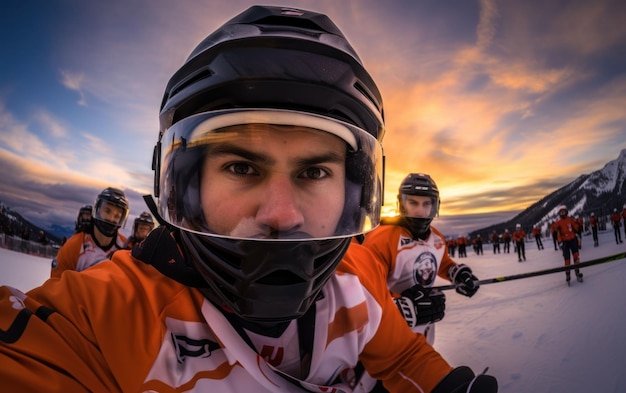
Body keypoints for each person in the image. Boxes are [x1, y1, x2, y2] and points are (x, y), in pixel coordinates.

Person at [0, 6, 496, 393]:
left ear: (352, 192)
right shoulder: (108, 314)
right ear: (187, 184)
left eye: (316, 171)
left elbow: (403, 358)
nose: (281, 213)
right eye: (241, 167)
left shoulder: (356, 276)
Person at [361, 173, 482, 392]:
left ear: (436, 207)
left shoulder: (436, 237)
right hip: (386, 342)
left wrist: (458, 273)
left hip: (423, 334)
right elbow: (363, 289)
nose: (420, 211)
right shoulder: (382, 239)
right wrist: (400, 307)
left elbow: (442, 262)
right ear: (401, 204)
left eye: (427, 204)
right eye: (413, 203)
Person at [49, 187, 128, 278]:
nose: (111, 219)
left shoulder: (125, 247)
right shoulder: (74, 246)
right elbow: (56, 282)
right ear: (97, 210)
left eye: (117, 216)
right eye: (107, 211)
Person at [553, 205, 582, 284]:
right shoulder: (558, 223)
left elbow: (575, 228)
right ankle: (568, 274)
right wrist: (560, 242)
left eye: (563, 212)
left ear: (566, 212)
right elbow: (558, 233)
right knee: (567, 260)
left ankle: (577, 272)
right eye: (561, 212)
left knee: (576, 257)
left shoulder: (570, 219)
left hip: (572, 240)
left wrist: (578, 226)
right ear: (559, 213)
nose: (562, 213)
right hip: (565, 242)